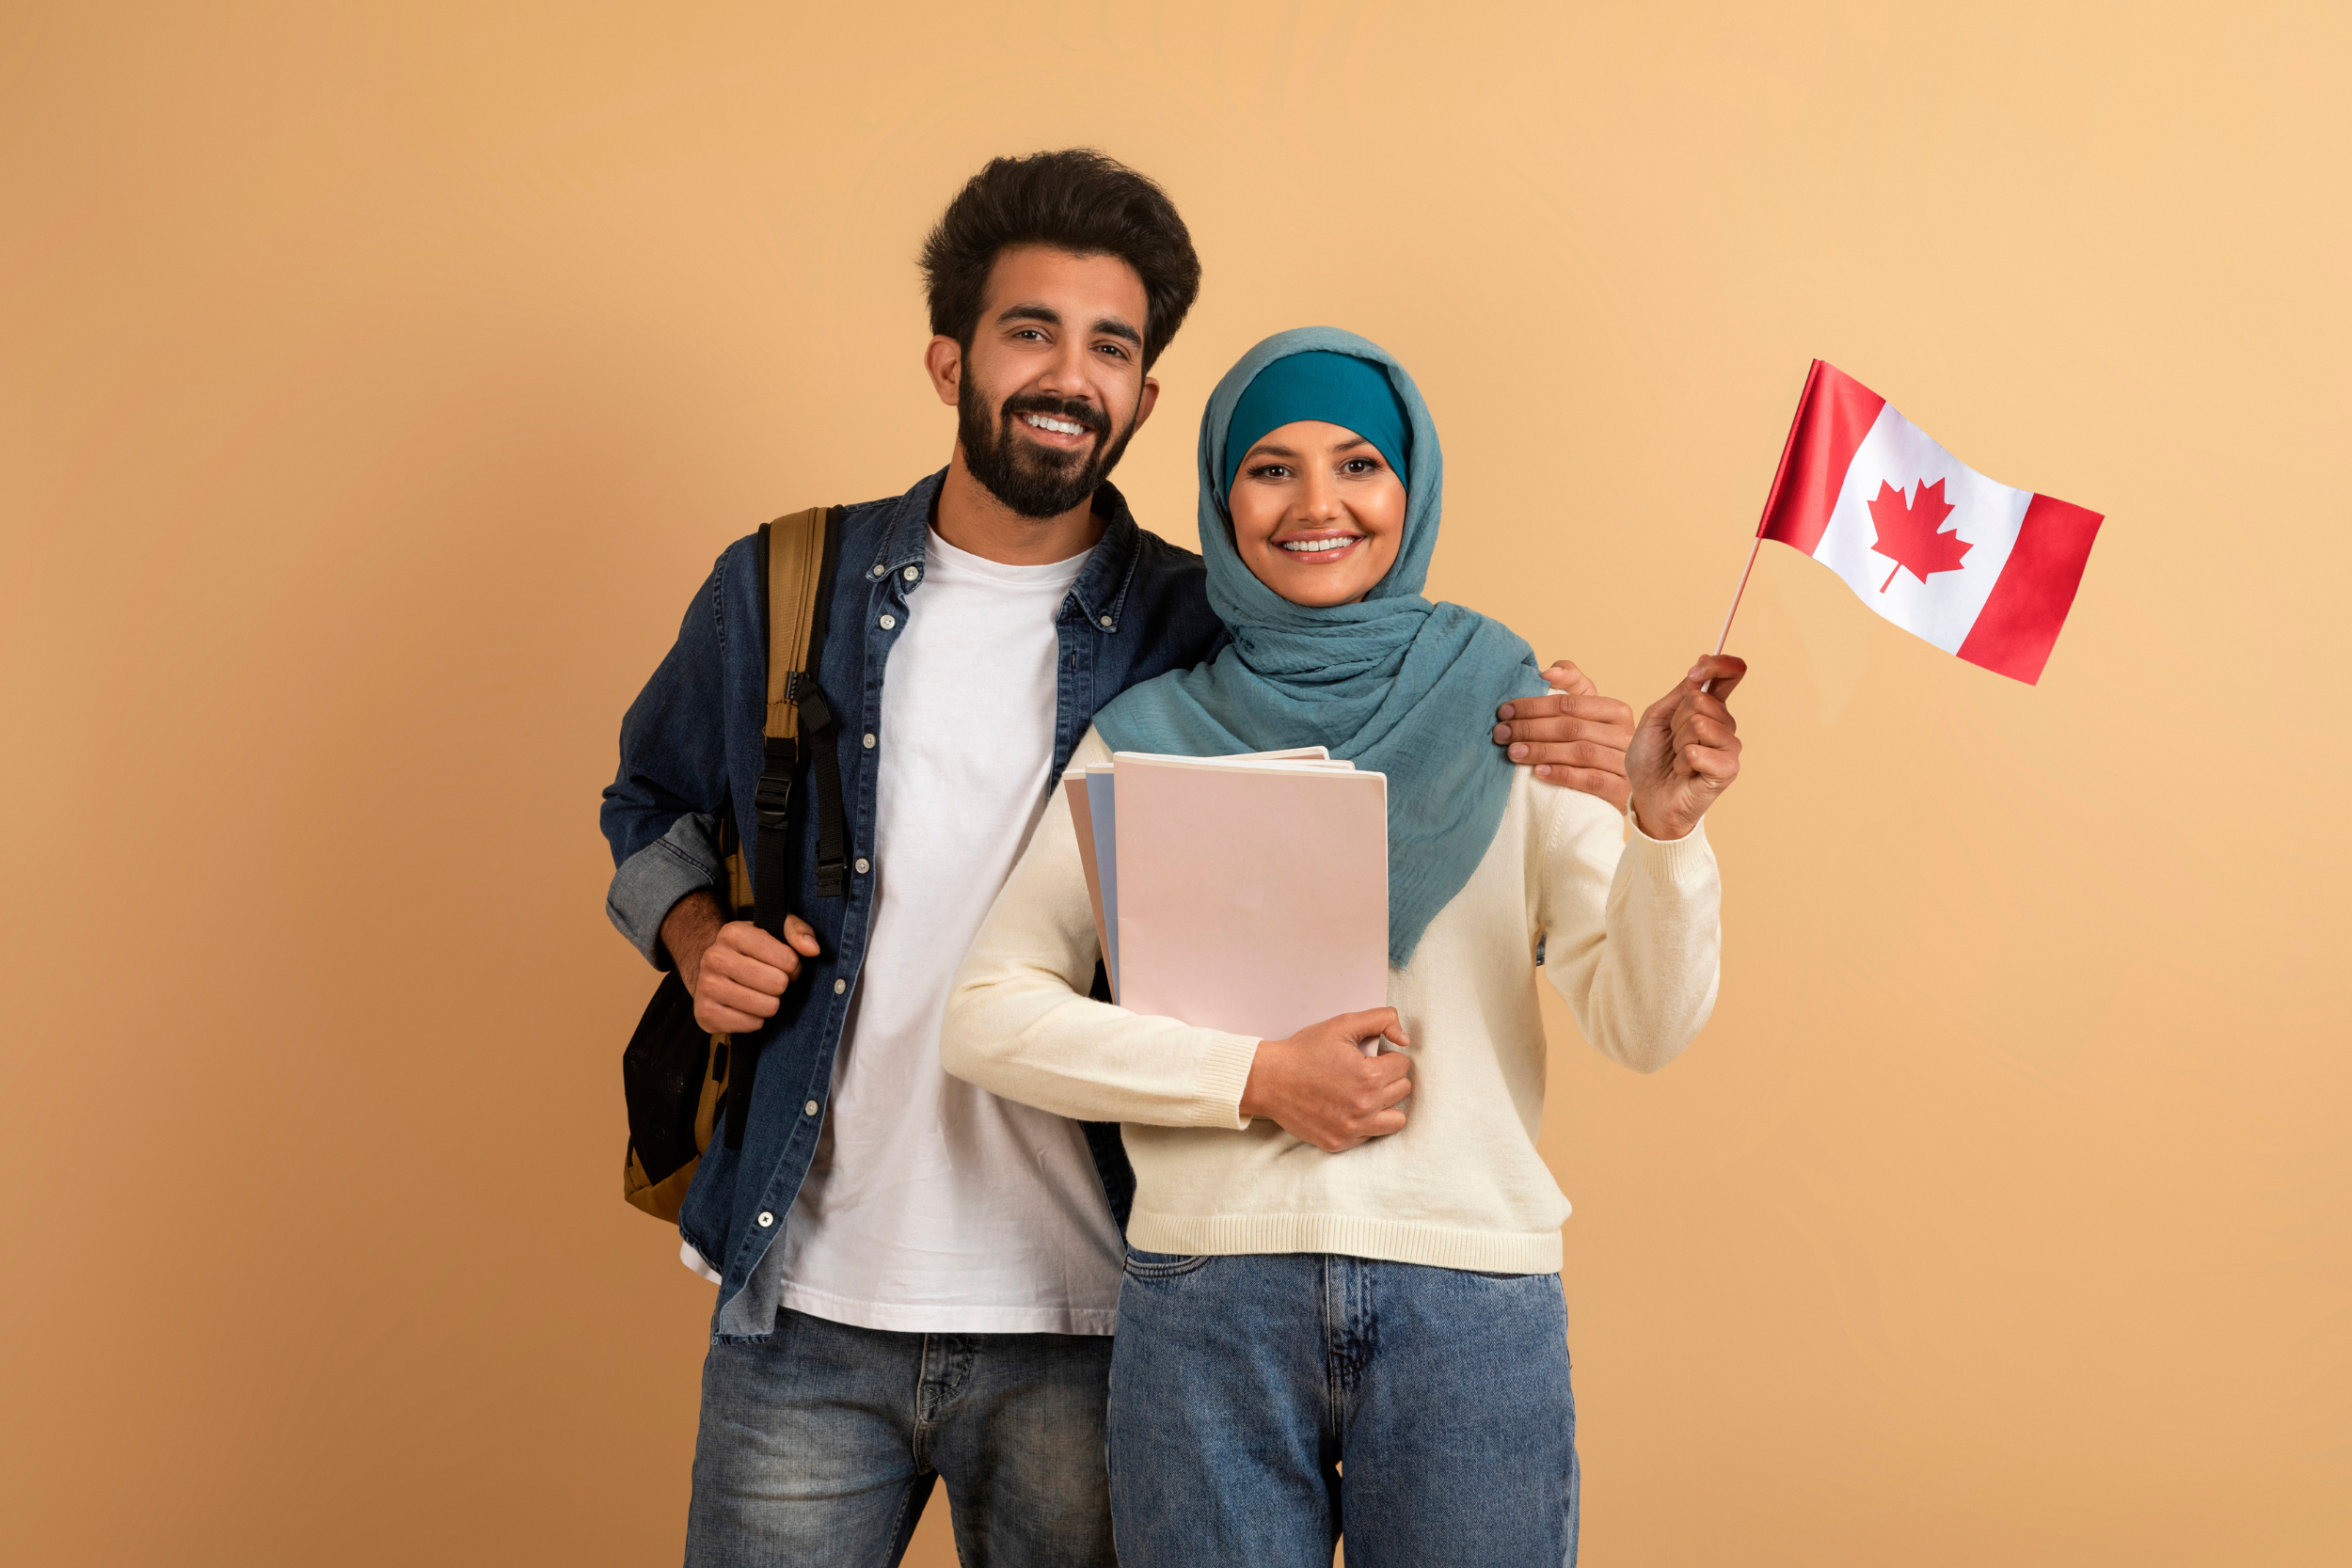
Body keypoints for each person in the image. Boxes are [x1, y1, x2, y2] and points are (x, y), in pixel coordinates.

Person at [600, 160, 1638, 1566]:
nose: (1069, 375)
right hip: (815, 1290)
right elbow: (650, 802)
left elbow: (1376, 688)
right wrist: (695, 934)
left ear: (1148, 398)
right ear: (949, 356)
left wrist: (1572, 744)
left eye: (1113, 346)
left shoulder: (1204, 625)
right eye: (1031, 331)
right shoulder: (792, 583)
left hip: (1097, 1303)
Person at [941, 326, 1747, 1567]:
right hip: (1209, 1300)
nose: (1318, 504)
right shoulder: (1149, 733)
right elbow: (986, 1011)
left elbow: (1644, 1025)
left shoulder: (1517, 711)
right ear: (1220, 497)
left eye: (1359, 464)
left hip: (1468, 1293)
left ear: (1409, 489)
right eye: (1271, 468)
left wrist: (1664, 833)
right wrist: (1255, 1077)